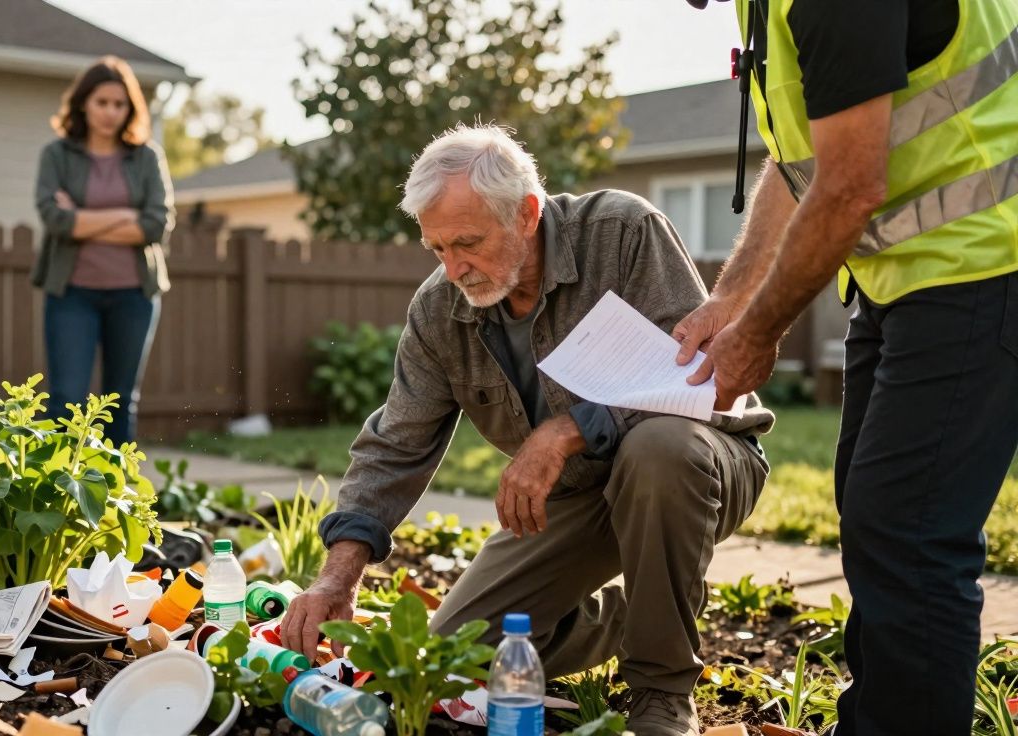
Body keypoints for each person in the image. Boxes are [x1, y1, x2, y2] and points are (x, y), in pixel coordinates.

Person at [279, 124, 775, 736]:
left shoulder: (622, 232)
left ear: (526, 214)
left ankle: (661, 692)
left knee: (658, 450)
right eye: (437, 248)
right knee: (455, 658)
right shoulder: (439, 310)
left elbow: (695, 379)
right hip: (578, 494)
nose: (454, 267)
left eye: (468, 242)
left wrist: (566, 430)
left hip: (698, 459)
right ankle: (637, 614)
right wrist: (337, 575)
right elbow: (395, 443)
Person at [675, 1, 1018, 733]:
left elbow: (849, 185)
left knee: (911, 535)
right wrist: (732, 297)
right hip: (907, 276)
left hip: (987, 262)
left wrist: (759, 330)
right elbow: (803, 160)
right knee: (875, 520)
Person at [33, 55, 174, 445]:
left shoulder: (147, 157)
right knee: (66, 401)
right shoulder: (56, 155)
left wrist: (82, 219)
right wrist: (124, 218)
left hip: (134, 296)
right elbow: (55, 220)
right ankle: (57, 497)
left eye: (120, 104)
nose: (111, 112)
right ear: (83, 103)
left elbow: (156, 225)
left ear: (130, 108)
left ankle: (116, 497)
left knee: (119, 402)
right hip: (71, 295)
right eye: (102, 102)